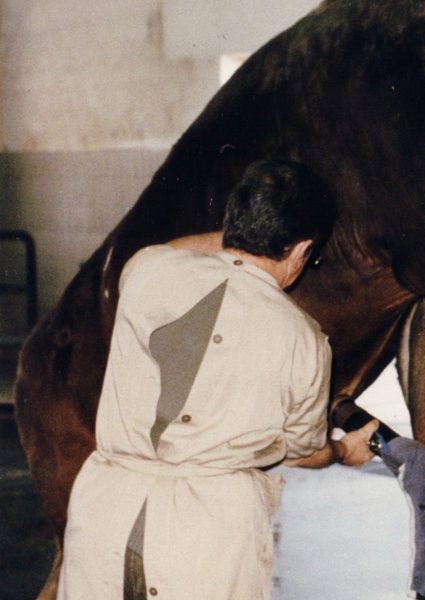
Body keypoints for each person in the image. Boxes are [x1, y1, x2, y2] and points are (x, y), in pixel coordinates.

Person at [58, 159, 378, 599]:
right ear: (303, 251)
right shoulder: (304, 340)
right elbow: (301, 453)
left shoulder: (146, 269)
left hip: (105, 516)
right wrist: (343, 449)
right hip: (204, 539)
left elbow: (178, 248)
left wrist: (240, 239)